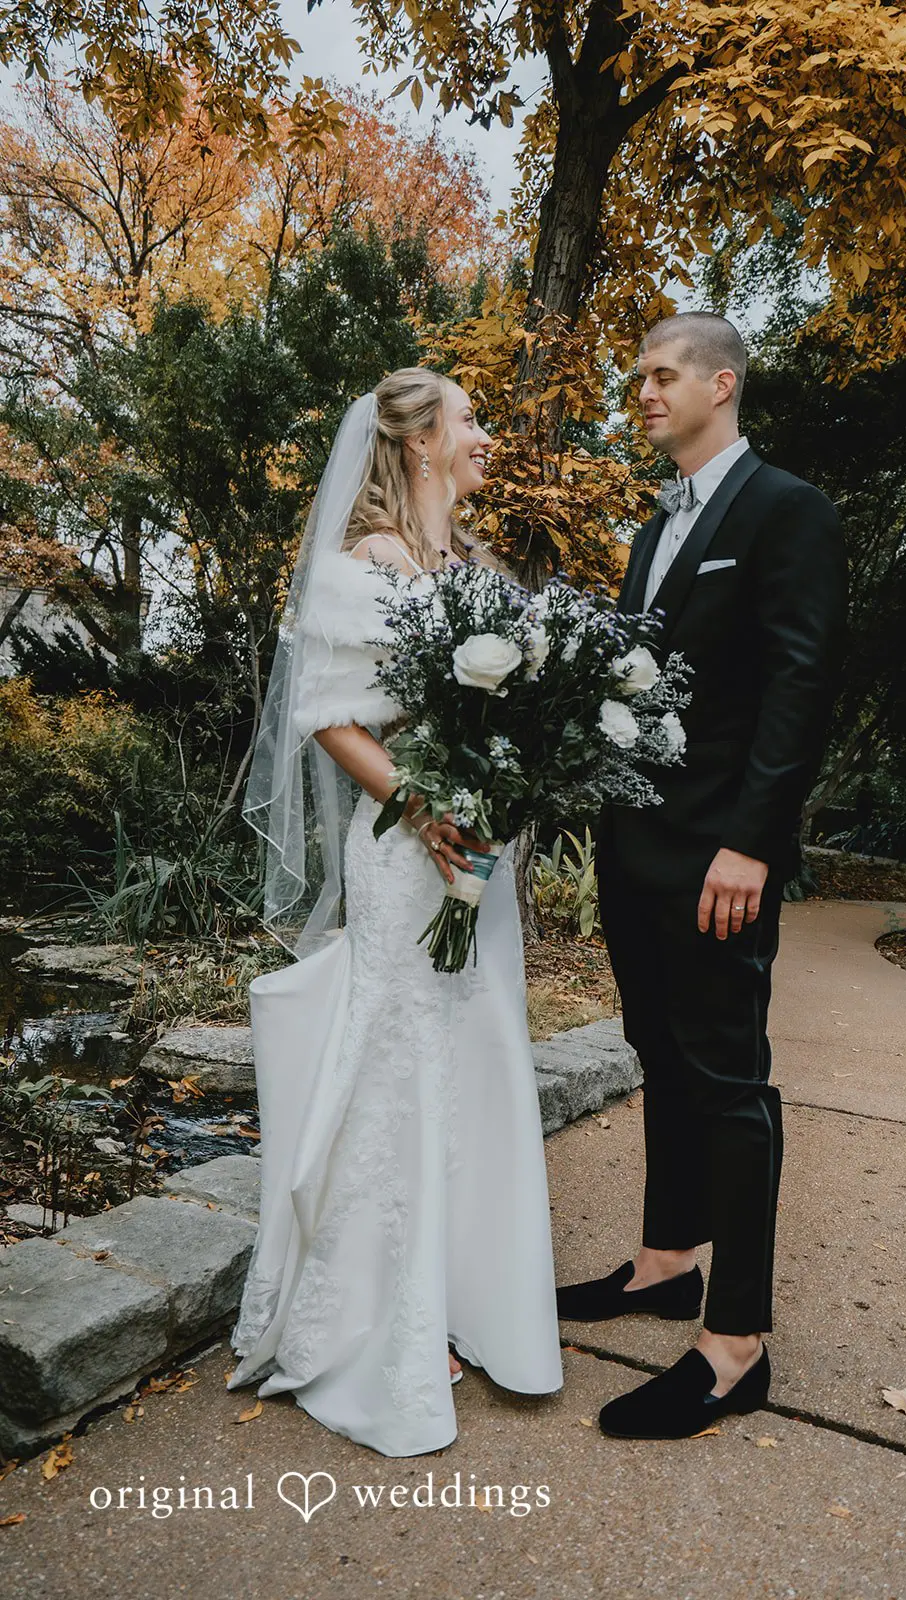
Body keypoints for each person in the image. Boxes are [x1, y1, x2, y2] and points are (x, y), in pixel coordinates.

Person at [227, 368, 563, 1457]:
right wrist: (423, 807)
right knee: (404, 1055)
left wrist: (515, 781)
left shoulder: (473, 570)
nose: (484, 435)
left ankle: (468, 1295)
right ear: (419, 442)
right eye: (469, 419)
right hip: (408, 846)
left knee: (478, 1052)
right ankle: (379, 1314)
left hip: (477, 849)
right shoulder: (366, 563)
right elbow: (332, 716)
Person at [556, 313, 849, 1440]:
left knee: (728, 1080)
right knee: (661, 1057)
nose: (641, 391)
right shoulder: (653, 527)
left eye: (660, 373)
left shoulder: (785, 508)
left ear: (719, 384)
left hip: (721, 853)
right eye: (637, 375)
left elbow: (800, 684)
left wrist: (753, 841)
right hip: (636, 847)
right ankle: (664, 1264)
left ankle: (734, 1347)